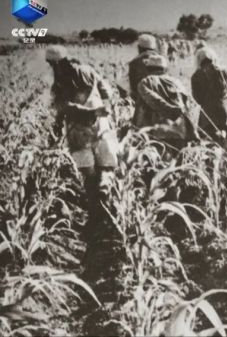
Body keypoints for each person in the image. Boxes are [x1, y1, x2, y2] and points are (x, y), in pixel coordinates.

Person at [45, 45, 118, 221]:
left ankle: (96, 212)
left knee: (88, 171)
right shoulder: (88, 71)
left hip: (78, 128)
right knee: (106, 165)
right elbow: (107, 91)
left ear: (54, 63)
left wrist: (56, 128)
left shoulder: (60, 80)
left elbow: (64, 107)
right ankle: (106, 198)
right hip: (101, 123)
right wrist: (104, 109)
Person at [136, 54, 196, 152]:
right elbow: (190, 104)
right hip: (180, 130)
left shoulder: (145, 82)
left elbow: (150, 102)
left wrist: (137, 129)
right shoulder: (177, 82)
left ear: (148, 69)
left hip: (158, 131)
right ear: (165, 69)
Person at [191, 47, 227, 141]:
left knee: (209, 143)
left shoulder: (196, 76)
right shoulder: (224, 71)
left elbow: (198, 99)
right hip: (225, 112)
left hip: (207, 116)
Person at [129, 34, 160, 125]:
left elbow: (133, 86)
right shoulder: (162, 60)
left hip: (142, 101)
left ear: (139, 48)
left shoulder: (135, 62)